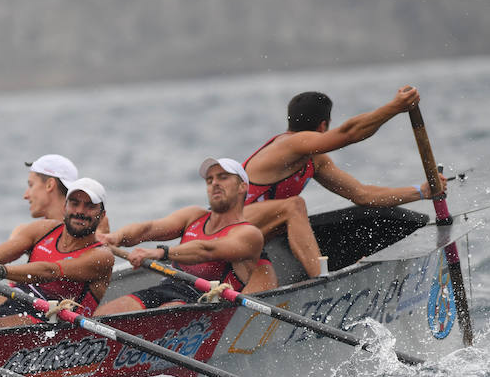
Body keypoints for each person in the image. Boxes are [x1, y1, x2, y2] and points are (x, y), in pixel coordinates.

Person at [242, 86, 439, 278]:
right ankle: (321, 278)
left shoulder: (315, 160)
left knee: (265, 283)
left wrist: (421, 191)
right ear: (323, 126)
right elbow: (349, 133)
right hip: (232, 230)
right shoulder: (289, 145)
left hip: (254, 242)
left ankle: (318, 279)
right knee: (294, 206)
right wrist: (395, 107)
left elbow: (363, 195)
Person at [94, 158, 275, 316]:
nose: (215, 183)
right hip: (167, 288)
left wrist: (160, 253)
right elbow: (147, 229)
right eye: (210, 180)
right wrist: (115, 237)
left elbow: (207, 250)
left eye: (223, 177)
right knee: (104, 314)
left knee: (165, 313)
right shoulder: (193, 215)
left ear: (242, 187)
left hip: (207, 302)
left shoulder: (249, 234)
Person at [0, 179, 115, 333]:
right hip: (20, 300)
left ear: (102, 215)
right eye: (75, 204)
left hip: (54, 321)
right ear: (65, 207)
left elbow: (50, 271)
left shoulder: (101, 256)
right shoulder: (44, 229)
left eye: (90, 206)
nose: (80, 211)